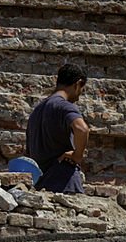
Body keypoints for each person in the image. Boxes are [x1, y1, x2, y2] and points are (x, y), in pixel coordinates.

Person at [26, 63, 90, 193]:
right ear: (77, 84)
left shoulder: (37, 111)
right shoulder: (63, 105)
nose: (79, 96)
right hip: (64, 181)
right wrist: (77, 155)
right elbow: (82, 129)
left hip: (42, 184)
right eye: (81, 89)